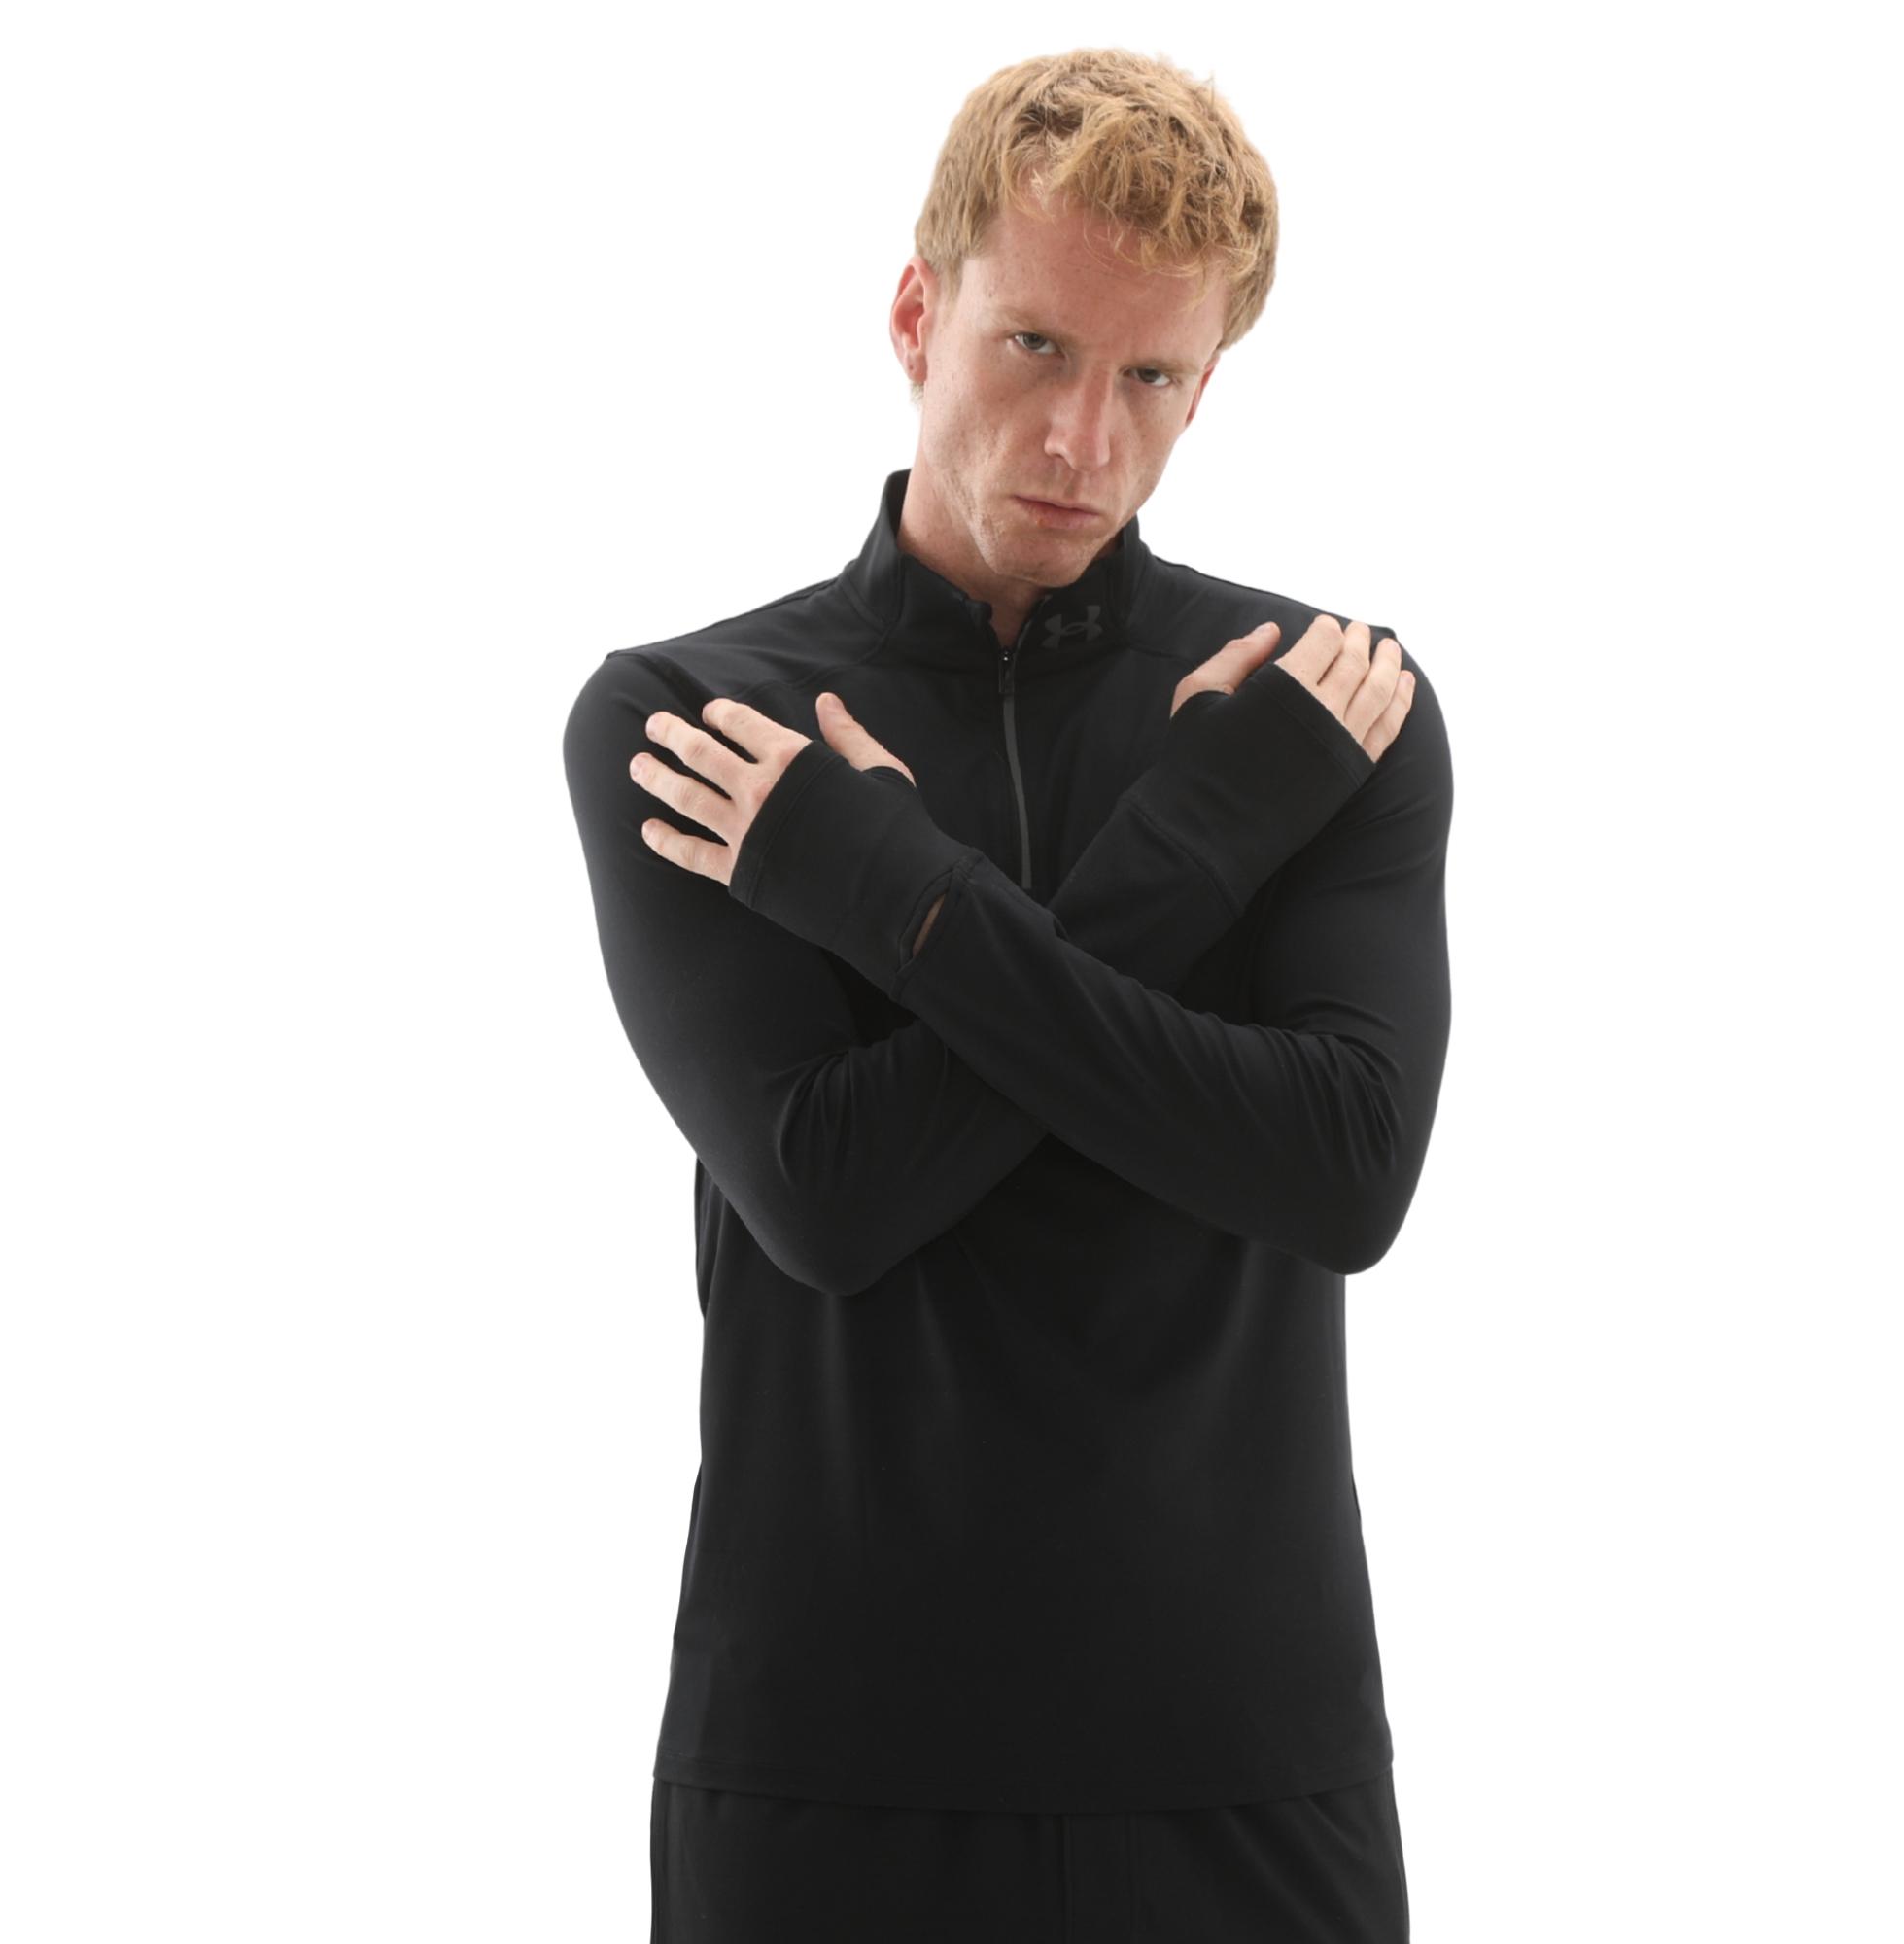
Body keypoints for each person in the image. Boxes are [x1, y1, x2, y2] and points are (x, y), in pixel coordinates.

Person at [561, 45, 1452, 1943]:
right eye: (1034, 347)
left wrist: (884, 886)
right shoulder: (699, 729)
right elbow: (830, 1192)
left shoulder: (1320, 718)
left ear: (1208, 380)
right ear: (918, 313)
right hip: (828, 1773)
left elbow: (1342, 1171)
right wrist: (1196, 851)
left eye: (1151, 379)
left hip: (1247, 1761)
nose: (1081, 441)